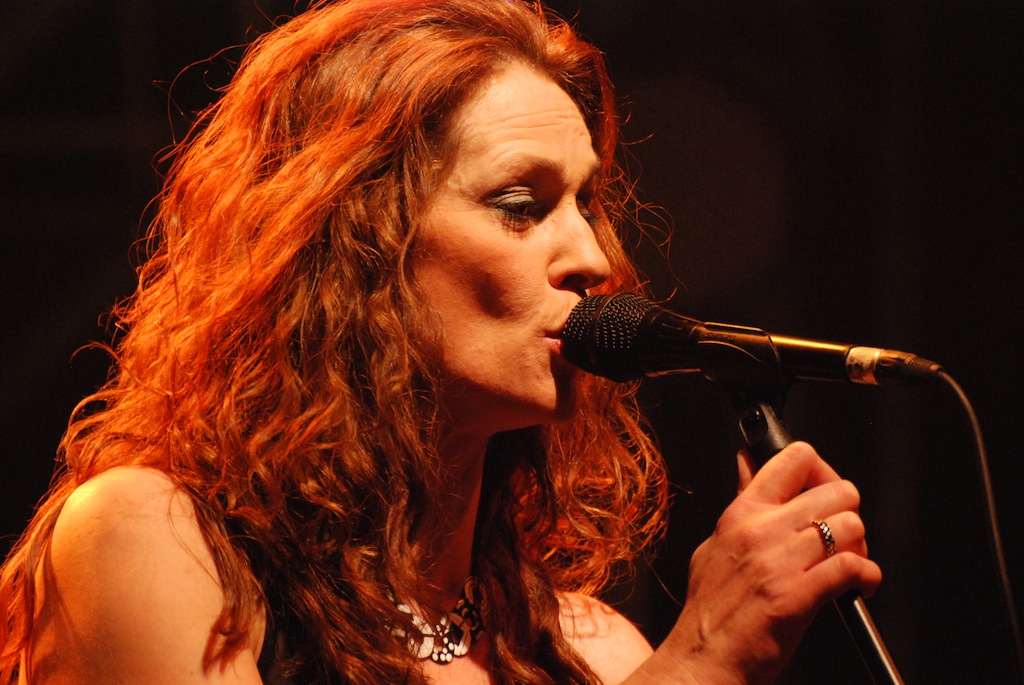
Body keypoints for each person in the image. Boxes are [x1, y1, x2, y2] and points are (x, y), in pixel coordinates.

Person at [0, 1, 881, 683]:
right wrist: (698, 662)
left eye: (586, 204)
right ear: (357, 244)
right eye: (520, 206)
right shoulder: (151, 544)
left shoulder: (598, 651)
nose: (593, 256)